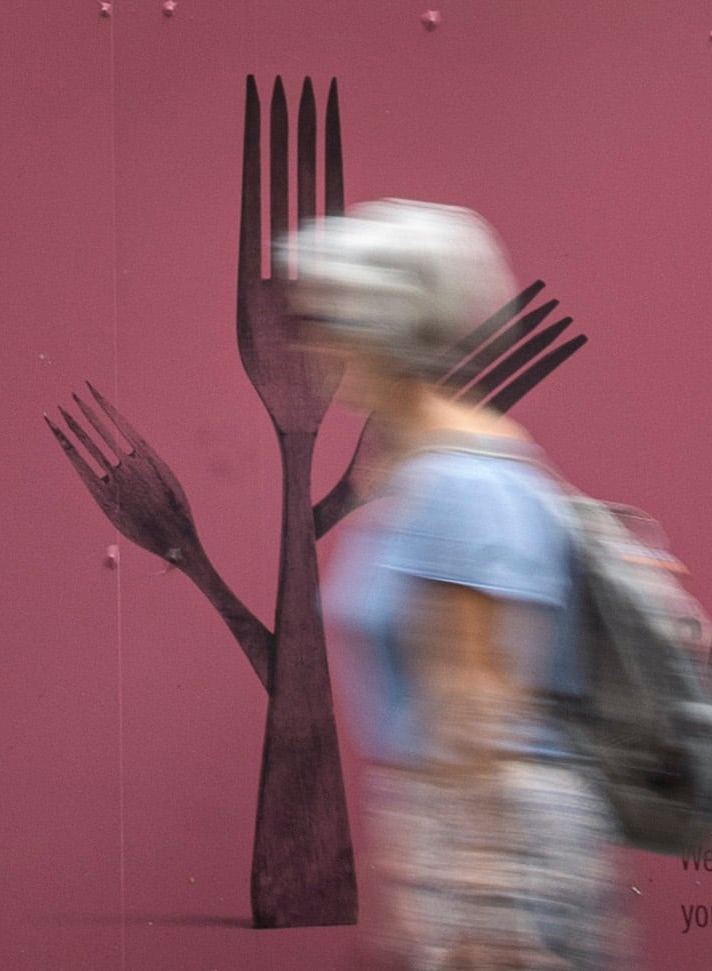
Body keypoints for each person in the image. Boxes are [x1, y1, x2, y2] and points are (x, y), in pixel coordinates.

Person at [278, 198, 618, 971]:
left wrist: (478, 909)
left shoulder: (460, 482)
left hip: (498, 860)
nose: (312, 340)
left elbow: (476, 702)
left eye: (326, 318)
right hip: (466, 840)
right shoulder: (426, 468)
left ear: (381, 329)